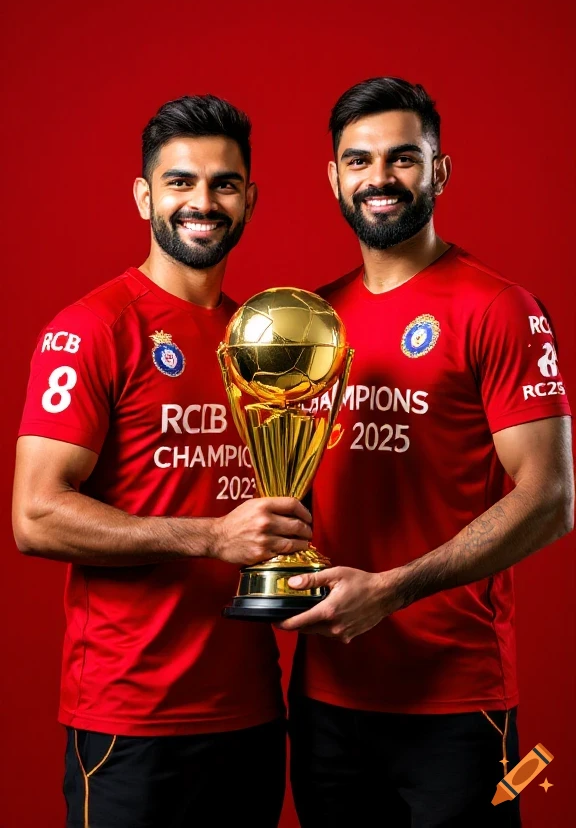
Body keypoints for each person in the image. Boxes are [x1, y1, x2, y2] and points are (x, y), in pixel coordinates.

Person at [13, 94, 313, 828]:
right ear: (145, 195)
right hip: (131, 723)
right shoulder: (91, 328)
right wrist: (210, 537)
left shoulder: (261, 344)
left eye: (224, 183)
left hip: (249, 714)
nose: (202, 202)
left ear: (250, 199)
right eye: (180, 182)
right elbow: (35, 515)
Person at [280, 77, 573, 827]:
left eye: (403, 159)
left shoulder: (500, 308)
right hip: (327, 698)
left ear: (440, 171)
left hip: (454, 702)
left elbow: (549, 499)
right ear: (334, 179)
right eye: (359, 161)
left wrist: (394, 589)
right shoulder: (311, 320)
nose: (380, 179)